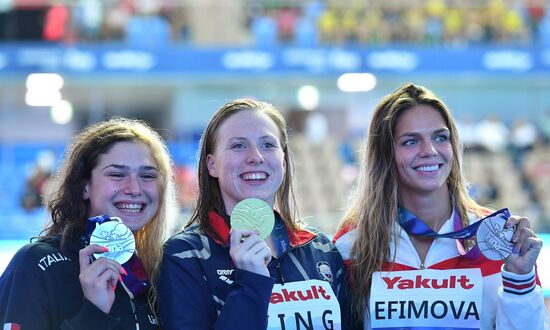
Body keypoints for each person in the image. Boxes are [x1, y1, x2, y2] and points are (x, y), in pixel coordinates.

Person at [333, 83, 548, 329]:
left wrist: (519, 281)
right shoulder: (352, 245)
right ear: (385, 154)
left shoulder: (497, 238)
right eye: (410, 141)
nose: (430, 151)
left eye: (440, 137)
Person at [158, 99, 355, 329]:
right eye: (238, 146)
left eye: (268, 145)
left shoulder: (319, 249)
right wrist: (252, 283)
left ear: (283, 161)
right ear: (212, 165)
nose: (255, 157)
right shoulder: (184, 255)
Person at [0, 117, 179, 329]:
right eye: (117, 174)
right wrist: (93, 313)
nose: (134, 188)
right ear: (84, 186)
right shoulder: (35, 264)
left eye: (147, 175)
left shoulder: (160, 271)